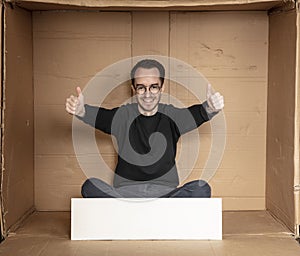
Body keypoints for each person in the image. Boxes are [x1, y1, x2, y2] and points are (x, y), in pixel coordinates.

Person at [65, 59, 224, 198]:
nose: (148, 94)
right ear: (134, 88)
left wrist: (211, 106)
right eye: (141, 87)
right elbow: (97, 115)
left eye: (154, 87)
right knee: (90, 186)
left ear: (162, 87)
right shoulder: (123, 116)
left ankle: (139, 216)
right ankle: (150, 216)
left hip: (166, 194)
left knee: (201, 188)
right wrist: (80, 110)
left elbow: (198, 113)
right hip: (126, 194)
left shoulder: (171, 115)